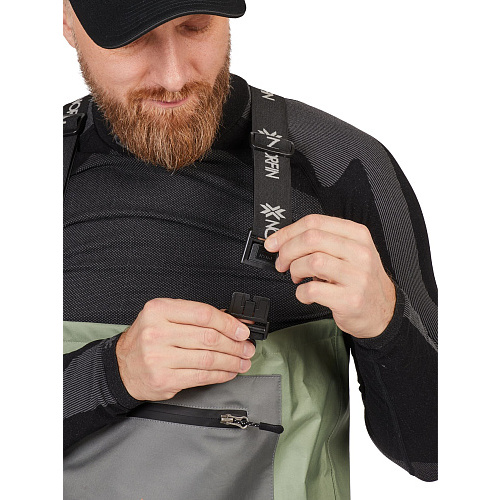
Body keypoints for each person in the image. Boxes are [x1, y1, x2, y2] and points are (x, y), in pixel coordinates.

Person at [62, 0, 438, 498]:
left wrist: (387, 324)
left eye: (196, 27)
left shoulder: (341, 166)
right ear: (69, 22)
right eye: (134, 40)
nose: (174, 78)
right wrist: (114, 373)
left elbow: (434, 455)